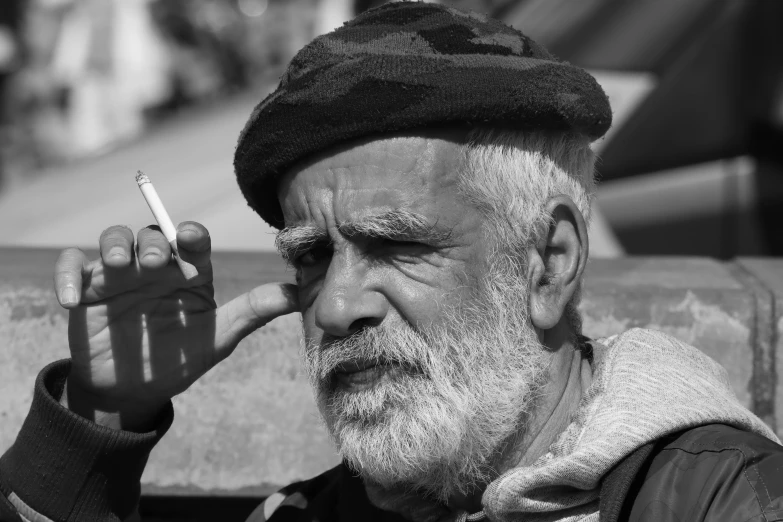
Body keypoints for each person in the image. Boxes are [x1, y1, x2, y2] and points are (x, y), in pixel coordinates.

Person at [2, 3, 782, 522]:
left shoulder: (721, 500)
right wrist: (96, 422)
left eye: (399, 244)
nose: (336, 308)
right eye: (311, 256)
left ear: (547, 264)